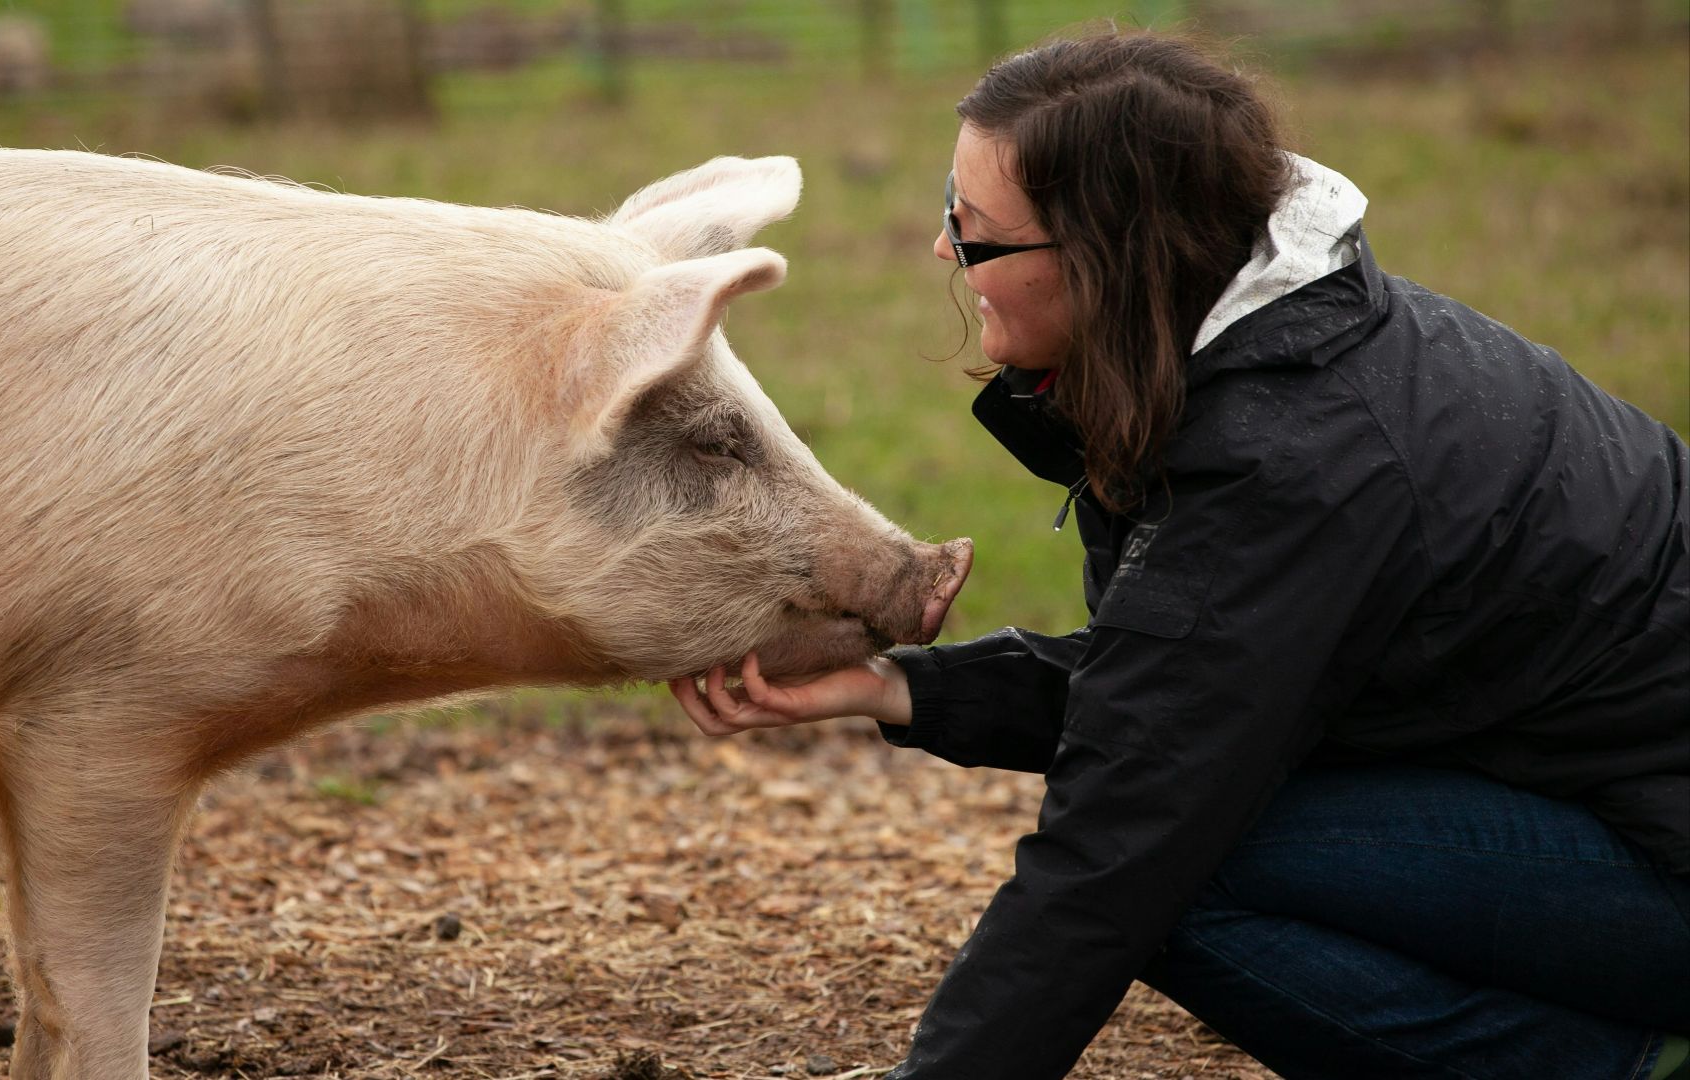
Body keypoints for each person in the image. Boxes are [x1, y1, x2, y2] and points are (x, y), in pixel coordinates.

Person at [667, 29, 1690, 1080]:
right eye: (948, 211)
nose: (944, 252)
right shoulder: (1277, 347)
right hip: (1593, 789)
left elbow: (1131, 827)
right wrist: (895, 690)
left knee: (1187, 872)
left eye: (974, 233)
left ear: (1104, 256)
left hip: (1660, 851)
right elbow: (1198, 687)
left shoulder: (1291, 460)